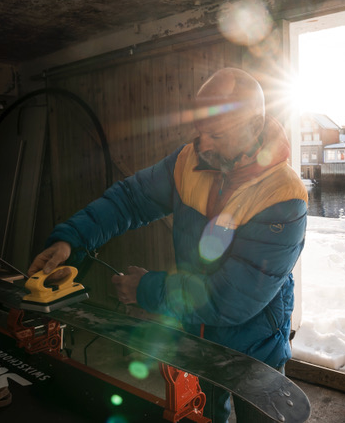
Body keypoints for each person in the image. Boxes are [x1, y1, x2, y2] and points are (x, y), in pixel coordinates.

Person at [27, 67, 308, 422]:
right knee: (200, 416)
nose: (201, 143)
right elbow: (129, 200)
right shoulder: (188, 162)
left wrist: (145, 288)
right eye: (199, 129)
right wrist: (71, 239)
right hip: (195, 342)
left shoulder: (283, 196)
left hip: (256, 351)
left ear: (253, 127)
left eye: (216, 134)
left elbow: (230, 300)